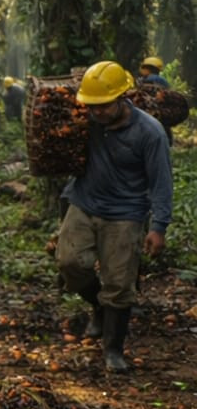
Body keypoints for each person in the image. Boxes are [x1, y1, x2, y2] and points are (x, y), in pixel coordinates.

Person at [52, 61, 172, 374]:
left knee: (120, 284)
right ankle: (98, 305)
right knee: (69, 263)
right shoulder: (85, 120)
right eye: (92, 106)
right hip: (84, 202)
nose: (98, 113)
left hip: (125, 214)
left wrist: (158, 227)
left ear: (124, 97)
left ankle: (113, 349)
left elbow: (161, 182)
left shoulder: (150, 133)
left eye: (104, 106)